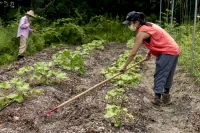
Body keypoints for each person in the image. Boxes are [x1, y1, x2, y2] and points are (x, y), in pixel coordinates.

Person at [120, 11, 180, 108]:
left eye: (130, 23)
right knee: (168, 74)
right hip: (174, 49)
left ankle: (156, 101)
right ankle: (166, 98)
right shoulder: (149, 25)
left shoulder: (142, 32)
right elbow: (157, 39)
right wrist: (149, 53)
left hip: (167, 51)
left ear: (137, 22)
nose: (129, 26)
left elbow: (133, 53)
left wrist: (124, 67)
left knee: (160, 74)